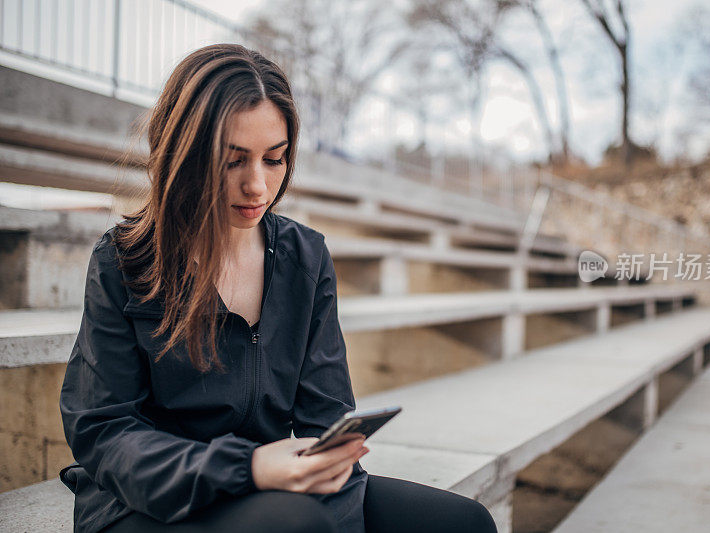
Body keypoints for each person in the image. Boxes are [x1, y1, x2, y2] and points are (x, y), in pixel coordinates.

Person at [58, 43, 498, 533]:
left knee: (465, 523)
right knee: (294, 523)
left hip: (277, 491)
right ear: (186, 154)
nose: (258, 188)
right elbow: (105, 431)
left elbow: (324, 424)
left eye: (274, 159)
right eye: (233, 161)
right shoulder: (124, 260)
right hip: (151, 502)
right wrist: (247, 468)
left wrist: (329, 485)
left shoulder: (305, 257)